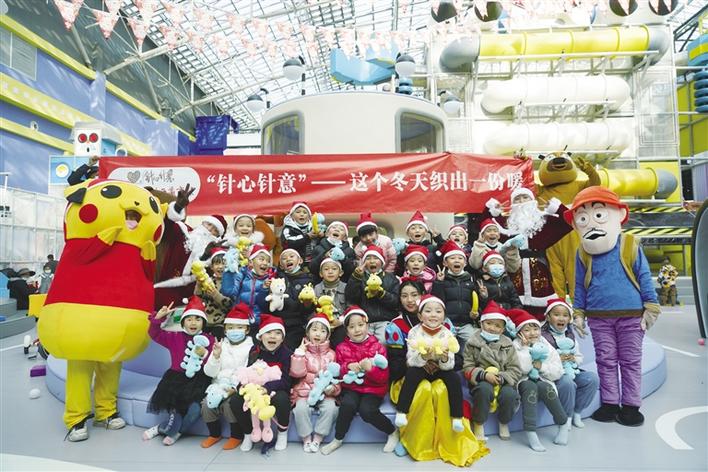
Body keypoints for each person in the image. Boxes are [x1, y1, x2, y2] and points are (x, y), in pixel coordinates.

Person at [566, 186, 660, 426]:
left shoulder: (629, 244)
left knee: (630, 361)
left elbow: (644, 275)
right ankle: (609, 403)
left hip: (631, 315)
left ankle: (631, 405)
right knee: (605, 360)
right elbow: (579, 285)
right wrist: (578, 312)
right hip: (598, 316)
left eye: (598, 214)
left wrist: (651, 307)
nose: (591, 223)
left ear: (619, 214)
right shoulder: (582, 252)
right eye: (583, 218)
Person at [320, 306, 399, 455]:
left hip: (374, 389)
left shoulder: (378, 347)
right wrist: (347, 367)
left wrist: (371, 369)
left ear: (367, 326)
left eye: (360, 325)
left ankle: (392, 431)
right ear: (346, 330)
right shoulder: (341, 348)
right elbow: (339, 372)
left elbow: (383, 378)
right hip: (352, 388)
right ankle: (338, 439)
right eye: (352, 327)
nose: (357, 330)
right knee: (347, 405)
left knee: (366, 410)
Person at [485, 187, 572, 319]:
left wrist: (557, 208)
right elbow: (484, 225)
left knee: (541, 312)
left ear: (533, 200)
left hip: (540, 269)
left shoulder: (544, 221)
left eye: (525, 197)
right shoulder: (505, 225)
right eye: (517, 199)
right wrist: (491, 211)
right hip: (513, 268)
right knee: (515, 308)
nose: (522, 201)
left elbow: (569, 221)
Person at [143, 297, 215, 445]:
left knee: (195, 411)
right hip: (176, 382)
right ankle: (164, 428)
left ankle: (175, 432)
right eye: (189, 319)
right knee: (175, 415)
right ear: (183, 322)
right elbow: (154, 333)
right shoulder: (174, 337)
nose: (193, 323)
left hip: (199, 382)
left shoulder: (210, 340)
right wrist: (158, 318)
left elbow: (214, 362)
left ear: (203, 322)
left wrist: (207, 355)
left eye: (197, 319)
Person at [394, 295, 464, 432]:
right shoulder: (414, 332)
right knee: (411, 374)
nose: (433, 315)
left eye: (438, 311)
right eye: (428, 311)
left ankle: (457, 417)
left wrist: (444, 359)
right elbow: (410, 360)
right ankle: (402, 412)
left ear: (444, 317)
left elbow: (450, 365)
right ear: (420, 316)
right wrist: (423, 357)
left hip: (440, 368)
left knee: (454, 378)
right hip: (421, 367)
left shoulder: (447, 334)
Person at [230, 314, 293, 452]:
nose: (273, 336)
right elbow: (248, 370)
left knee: (282, 399)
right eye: (268, 333)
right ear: (261, 336)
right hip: (254, 388)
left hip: (275, 389)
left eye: (277, 333)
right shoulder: (255, 351)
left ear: (282, 338)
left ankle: (282, 433)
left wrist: (267, 388)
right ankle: (248, 433)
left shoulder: (287, 354)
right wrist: (243, 386)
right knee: (235, 400)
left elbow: (286, 381)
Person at [509, 308, 569, 452]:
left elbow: (558, 371)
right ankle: (531, 432)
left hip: (543, 379)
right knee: (530, 387)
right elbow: (522, 369)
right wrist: (525, 349)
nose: (532, 333)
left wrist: (542, 367)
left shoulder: (546, 345)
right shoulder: (515, 346)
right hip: (522, 381)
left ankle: (563, 423)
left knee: (545, 388)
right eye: (527, 330)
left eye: (535, 329)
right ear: (519, 332)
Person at [462, 301, 522, 441]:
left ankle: (504, 422)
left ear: (502, 329)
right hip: (481, 379)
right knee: (484, 390)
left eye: (497, 326)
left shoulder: (508, 344)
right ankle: (479, 422)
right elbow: (467, 366)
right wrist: (483, 375)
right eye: (489, 323)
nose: (492, 328)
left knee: (509, 394)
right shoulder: (472, 342)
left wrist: (501, 377)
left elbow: (515, 369)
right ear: (481, 323)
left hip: (502, 379)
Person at [200, 303, 254, 450]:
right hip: (217, 385)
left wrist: (234, 388)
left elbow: (248, 371)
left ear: (247, 329)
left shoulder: (251, 347)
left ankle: (236, 436)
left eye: (239, 327)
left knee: (229, 405)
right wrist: (215, 356)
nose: (234, 331)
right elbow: (209, 372)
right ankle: (214, 434)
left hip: (237, 386)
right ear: (225, 330)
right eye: (230, 327)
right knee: (206, 405)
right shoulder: (220, 345)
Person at [542, 298, 599, 429]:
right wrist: (557, 359)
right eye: (556, 315)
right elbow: (541, 360)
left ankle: (577, 411)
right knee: (568, 382)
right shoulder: (543, 336)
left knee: (592, 379)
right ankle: (566, 416)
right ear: (548, 317)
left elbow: (579, 356)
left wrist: (573, 358)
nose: (561, 318)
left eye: (565, 315)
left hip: (571, 369)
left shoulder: (570, 335)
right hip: (554, 374)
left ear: (569, 319)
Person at [290, 313, 341, 453]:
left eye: (323, 331)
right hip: (305, 392)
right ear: (307, 333)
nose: (318, 333)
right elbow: (297, 373)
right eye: (314, 329)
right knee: (300, 409)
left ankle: (318, 438)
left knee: (331, 408)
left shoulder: (332, 354)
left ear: (328, 335)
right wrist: (300, 353)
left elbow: (337, 376)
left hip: (325, 393)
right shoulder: (302, 352)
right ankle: (306, 438)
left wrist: (334, 388)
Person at [345, 245, 400, 344]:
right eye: (368, 258)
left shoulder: (391, 278)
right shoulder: (359, 277)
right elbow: (351, 297)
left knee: (383, 341)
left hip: (384, 320)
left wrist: (381, 294)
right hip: (364, 321)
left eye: (375, 258)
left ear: (382, 262)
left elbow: (396, 302)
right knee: (364, 343)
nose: (372, 261)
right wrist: (356, 277)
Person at [432, 240, 481, 346]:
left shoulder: (471, 280)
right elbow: (437, 300)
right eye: (452, 258)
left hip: (466, 324)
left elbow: (477, 302)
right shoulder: (442, 280)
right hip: (447, 322)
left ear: (465, 263)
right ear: (445, 263)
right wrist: (439, 282)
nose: (457, 261)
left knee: (475, 344)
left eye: (460, 258)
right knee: (444, 345)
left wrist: (476, 314)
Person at [267, 248, 315, 349]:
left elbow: (308, 309)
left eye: (292, 256)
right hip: (278, 321)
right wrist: (266, 288)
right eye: (284, 258)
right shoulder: (276, 279)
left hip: (297, 323)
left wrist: (307, 304)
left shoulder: (308, 280)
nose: (288, 259)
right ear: (281, 265)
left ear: (300, 261)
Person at [221, 243, 273, 336]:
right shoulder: (242, 274)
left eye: (268, 261)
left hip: (259, 323)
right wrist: (229, 271)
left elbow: (265, 305)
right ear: (251, 262)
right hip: (240, 321)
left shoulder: (271, 280)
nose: (265, 263)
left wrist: (264, 289)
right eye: (261, 259)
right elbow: (228, 292)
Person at [195, 247, 232, 338]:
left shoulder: (231, 281)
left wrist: (215, 294)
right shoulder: (209, 280)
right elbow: (198, 297)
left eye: (224, 263)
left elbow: (230, 304)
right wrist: (199, 284)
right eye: (217, 263)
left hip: (222, 321)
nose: (220, 266)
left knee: (217, 337)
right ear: (211, 267)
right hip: (206, 319)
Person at [395, 210, 445, 275]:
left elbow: (446, 257)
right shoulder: (404, 249)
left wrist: (439, 239)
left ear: (426, 232)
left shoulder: (432, 248)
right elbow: (399, 270)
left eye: (421, 228)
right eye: (413, 228)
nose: (417, 230)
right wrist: (400, 255)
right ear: (408, 233)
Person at [314, 258, 347, 347]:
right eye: (326, 269)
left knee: (341, 338)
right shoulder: (317, 288)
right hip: (322, 322)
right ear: (321, 274)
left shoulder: (346, 287)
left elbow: (350, 307)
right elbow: (314, 309)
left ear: (341, 273)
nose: (330, 272)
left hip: (341, 322)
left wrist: (340, 321)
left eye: (334, 269)